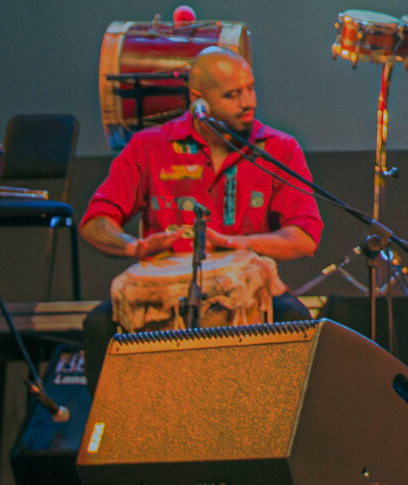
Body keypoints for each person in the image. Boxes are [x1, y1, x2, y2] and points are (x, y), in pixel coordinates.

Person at [76, 46, 320, 390]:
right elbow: (95, 222)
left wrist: (237, 243)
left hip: (246, 287)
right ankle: (110, 439)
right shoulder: (150, 146)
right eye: (233, 94)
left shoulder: (278, 149)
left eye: (250, 88)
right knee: (99, 326)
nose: (248, 101)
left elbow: (304, 236)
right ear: (198, 100)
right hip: (164, 294)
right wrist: (136, 248)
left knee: (293, 319)